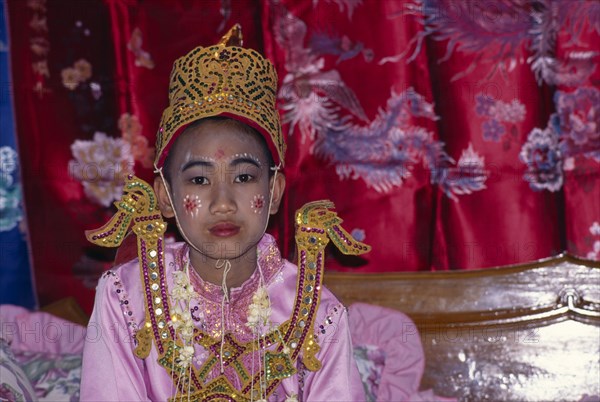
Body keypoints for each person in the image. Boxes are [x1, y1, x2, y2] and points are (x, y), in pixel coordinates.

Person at [80, 25, 370, 401]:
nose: (223, 202)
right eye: (199, 180)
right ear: (165, 196)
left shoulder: (316, 312)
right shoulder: (125, 296)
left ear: (274, 191)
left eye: (244, 177)